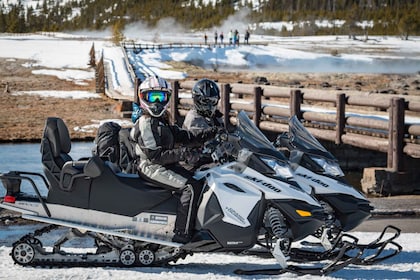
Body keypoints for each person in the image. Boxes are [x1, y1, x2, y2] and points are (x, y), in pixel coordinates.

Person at [130, 76, 217, 244]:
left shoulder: (161, 121)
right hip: (151, 167)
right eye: (152, 96)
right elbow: (155, 156)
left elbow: (185, 135)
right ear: (143, 97)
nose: (156, 102)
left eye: (161, 97)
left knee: (201, 179)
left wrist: (211, 133)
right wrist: (184, 154)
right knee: (191, 188)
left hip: (164, 164)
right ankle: (182, 234)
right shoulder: (145, 122)